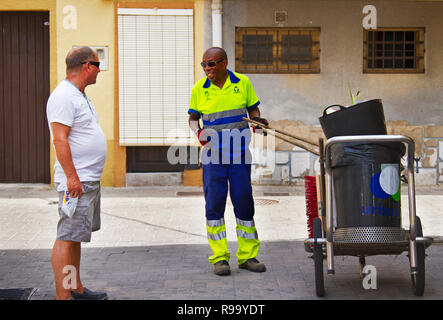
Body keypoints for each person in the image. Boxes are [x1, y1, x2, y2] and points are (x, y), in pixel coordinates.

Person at [188, 47, 269, 276]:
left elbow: (253, 109)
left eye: (211, 64)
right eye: (204, 65)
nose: (207, 69)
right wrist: (198, 133)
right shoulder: (199, 89)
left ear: (224, 63)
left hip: (240, 154)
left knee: (244, 201)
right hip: (213, 156)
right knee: (214, 204)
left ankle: (247, 256)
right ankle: (220, 258)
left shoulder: (242, 83)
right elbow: (193, 119)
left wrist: (257, 121)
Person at [46, 47, 108, 300]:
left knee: (75, 238)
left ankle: (75, 288)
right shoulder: (63, 96)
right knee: (66, 237)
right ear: (86, 66)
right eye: (97, 64)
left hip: (87, 179)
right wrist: (72, 178)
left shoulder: (79, 95)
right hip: (76, 181)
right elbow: (60, 140)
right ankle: (64, 296)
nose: (99, 69)